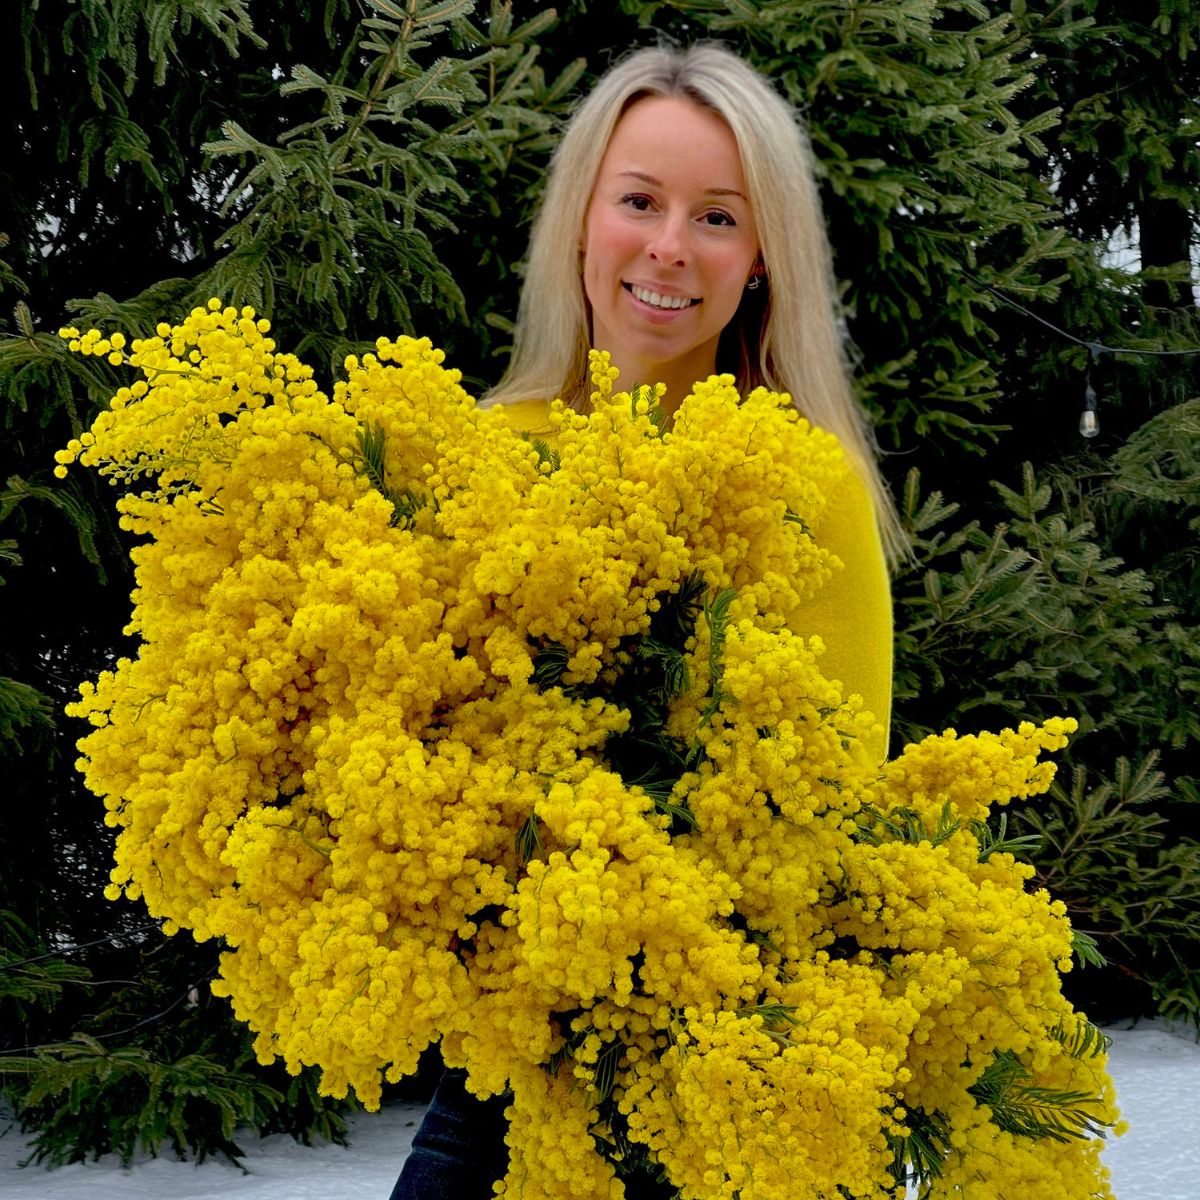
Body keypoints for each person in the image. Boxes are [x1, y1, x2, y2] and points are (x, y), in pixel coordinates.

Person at [389, 40, 897, 1200]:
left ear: (764, 258)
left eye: (719, 216)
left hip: (733, 1083)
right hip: (504, 1084)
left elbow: (837, 815)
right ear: (582, 219)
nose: (671, 246)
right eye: (639, 201)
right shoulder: (480, 454)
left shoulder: (806, 486)